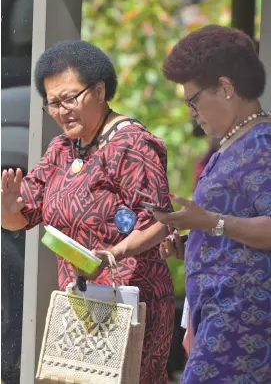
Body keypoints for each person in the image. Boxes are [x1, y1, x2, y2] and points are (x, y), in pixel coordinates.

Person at [1, 40, 175, 384]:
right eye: (53, 103)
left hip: (132, 304)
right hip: (81, 303)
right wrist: (7, 208)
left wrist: (116, 252)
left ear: (99, 90)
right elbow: (21, 219)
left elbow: (160, 222)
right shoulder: (61, 149)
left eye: (70, 98)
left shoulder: (132, 144)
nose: (62, 110)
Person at [154, 25, 271, 384]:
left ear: (225, 87)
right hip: (220, 321)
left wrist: (210, 223)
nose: (191, 112)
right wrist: (194, 246)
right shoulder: (234, 144)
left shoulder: (262, 144)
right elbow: (232, 228)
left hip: (242, 328)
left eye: (192, 100)